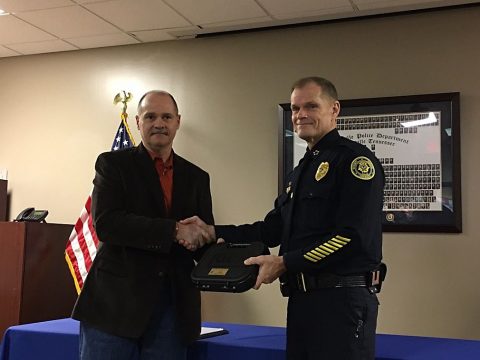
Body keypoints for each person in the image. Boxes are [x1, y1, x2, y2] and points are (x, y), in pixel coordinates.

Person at [184, 77, 385, 359]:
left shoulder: (354, 162)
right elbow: (272, 229)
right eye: (295, 108)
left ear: (334, 109)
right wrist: (212, 231)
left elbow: (352, 237)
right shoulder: (301, 171)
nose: (301, 115)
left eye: (311, 106)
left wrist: (285, 262)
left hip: (342, 302)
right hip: (302, 300)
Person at [72, 90, 215, 360]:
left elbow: (201, 236)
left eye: (166, 116)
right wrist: (174, 230)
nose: (159, 123)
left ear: (178, 122)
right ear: (138, 122)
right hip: (114, 307)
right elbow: (107, 223)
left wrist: (230, 257)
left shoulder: (197, 177)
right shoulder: (112, 164)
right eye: (150, 116)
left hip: (173, 310)